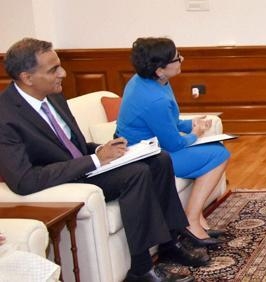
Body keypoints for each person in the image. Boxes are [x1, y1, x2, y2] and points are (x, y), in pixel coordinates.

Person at [0, 38, 207, 282]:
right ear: (27, 77)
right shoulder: (6, 116)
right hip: (64, 183)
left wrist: (106, 149)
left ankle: (170, 242)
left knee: (158, 159)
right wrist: (95, 160)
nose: (63, 73)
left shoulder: (52, 97)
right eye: (54, 69)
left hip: (84, 166)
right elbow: (24, 180)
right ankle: (141, 271)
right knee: (136, 174)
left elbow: (71, 145)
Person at [116, 37, 230, 247]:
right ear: (160, 69)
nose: (182, 59)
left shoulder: (150, 81)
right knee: (220, 154)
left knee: (215, 149)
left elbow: (170, 122)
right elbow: (174, 144)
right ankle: (191, 220)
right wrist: (194, 134)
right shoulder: (154, 99)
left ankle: (197, 218)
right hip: (148, 157)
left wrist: (190, 124)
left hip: (155, 146)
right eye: (177, 58)